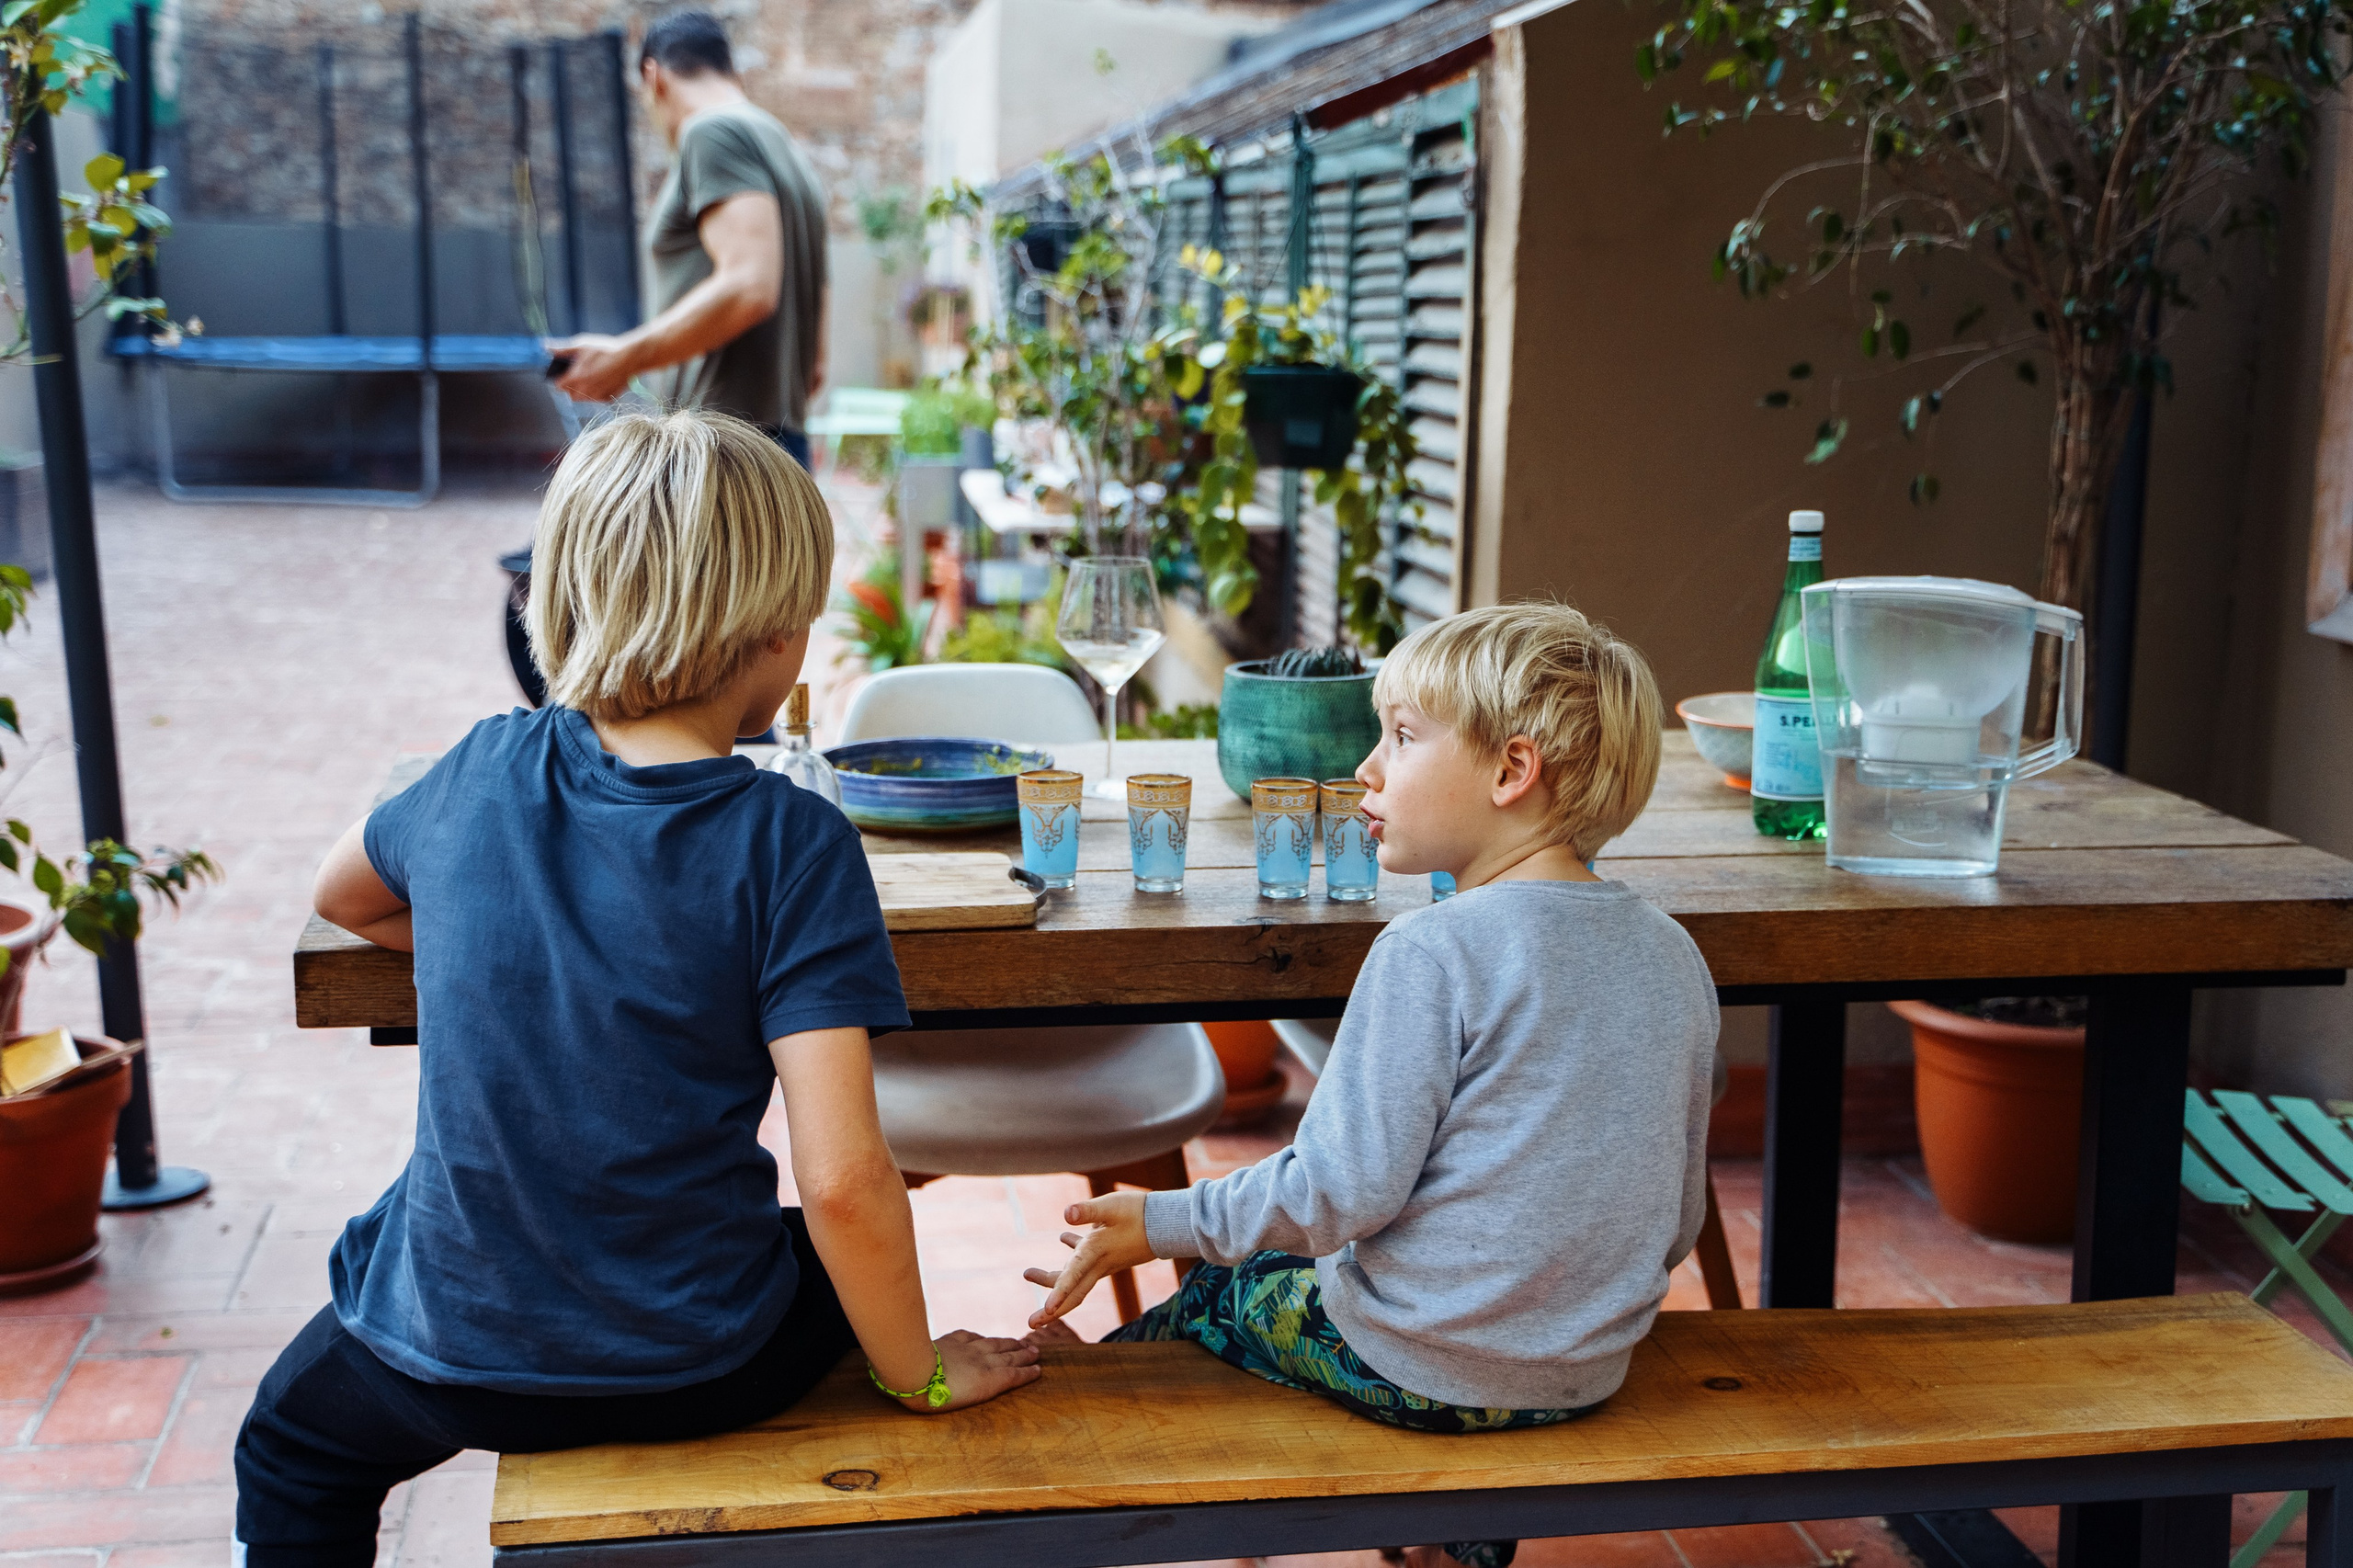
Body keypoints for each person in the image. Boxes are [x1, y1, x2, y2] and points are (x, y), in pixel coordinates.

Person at [234, 412, 1039, 1568]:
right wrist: (917, 1370)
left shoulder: (477, 769)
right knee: (826, 1260)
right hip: (697, 1362)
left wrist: (503, 951)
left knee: (291, 1451)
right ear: (770, 633)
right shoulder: (792, 842)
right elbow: (847, 1183)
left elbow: (345, 892)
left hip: (445, 1350)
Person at [1024, 603, 1721, 1568]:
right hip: (1584, 1369)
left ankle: (1061, 1496)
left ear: (1511, 771)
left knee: (1216, 1296)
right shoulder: (1672, 951)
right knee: (1385, 1318)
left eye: (1400, 735)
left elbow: (1333, 1195)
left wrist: (1159, 1220)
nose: (1366, 768)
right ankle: (1457, 1540)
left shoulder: (1432, 949)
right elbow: (1679, 1217)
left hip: (1416, 1367)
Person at [549, 9, 829, 470]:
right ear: (729, 69)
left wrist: (625, 357)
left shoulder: (710, 132)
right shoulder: (786, 150)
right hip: (782, 453)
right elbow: (815, 364)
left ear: (652, 76)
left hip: (721, 454)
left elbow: (750, 288)